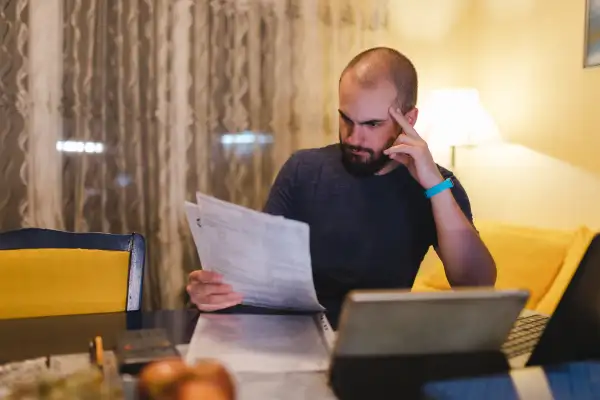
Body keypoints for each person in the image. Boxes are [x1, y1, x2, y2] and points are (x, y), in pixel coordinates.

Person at [187, 47, 497, 328]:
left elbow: (476, 285)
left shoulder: (437, 187)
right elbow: (258, 273)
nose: (353, 138)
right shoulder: (304, 170)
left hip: (376, 345)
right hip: (294, 335)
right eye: (346, 119)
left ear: (409, 119)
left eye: (372, 124)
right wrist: (214, 290)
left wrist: (434, 186)